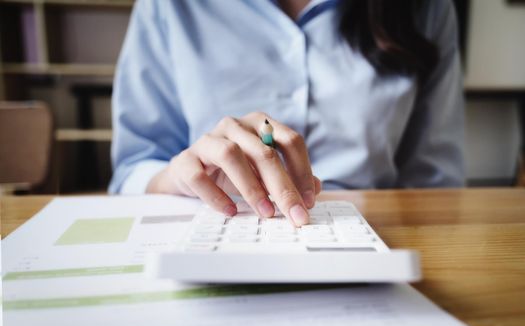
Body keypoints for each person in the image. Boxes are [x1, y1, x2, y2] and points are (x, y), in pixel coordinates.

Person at [109, 0, 465, 227]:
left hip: (375, 229)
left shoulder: (427, 9)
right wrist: (180, 176)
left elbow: (436, 182)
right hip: (221, 219)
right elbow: (132, 171)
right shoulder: (168, 7)